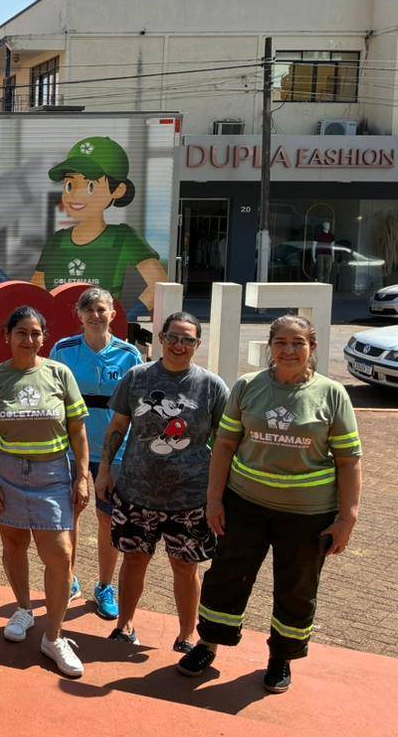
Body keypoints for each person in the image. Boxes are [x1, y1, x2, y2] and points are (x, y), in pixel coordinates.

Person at [178, 315, 362, 694]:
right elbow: (225, 444)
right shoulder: (248, 386)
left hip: (308, 515)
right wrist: (214, 499)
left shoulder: (332, 394)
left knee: (296, 588)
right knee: (227, 576)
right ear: (270, 346)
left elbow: (348, 460)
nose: (289, 350)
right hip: (245, 504)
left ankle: (281, 657)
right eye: (281, 342)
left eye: (298, 342)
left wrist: (348, 516)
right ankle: (208, 644)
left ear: (312, 347)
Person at [0, 306, 90, 678]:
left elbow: (77, 429)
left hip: (52, 475)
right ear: (8, 336)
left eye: (36, 333)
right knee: (14, 543)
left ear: (44, 337)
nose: (29, 339)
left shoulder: (60, 373)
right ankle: (23, 608)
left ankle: (54, 636)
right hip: (5, 473)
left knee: (60, 554)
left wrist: (82, 476)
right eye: (21, 332)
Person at [98, 311, 228, 651]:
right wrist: (105, 470)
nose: (179, 345)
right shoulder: (137, 377)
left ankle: (186, 635)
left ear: (198, 344)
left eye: (187, 339)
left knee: (185, 568)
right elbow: (118, 427)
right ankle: (125, 625)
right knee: (133, 561)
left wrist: (220, 491)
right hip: (136, 492)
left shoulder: (212, 386)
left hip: (190, 498)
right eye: (172, 337)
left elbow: (225, 442)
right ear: (161, 338)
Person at [50, 287, 143, 620]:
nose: (95, 315)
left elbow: (136, 406)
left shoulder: (130, 354)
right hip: (71, 450)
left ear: (112, 314)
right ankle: (68, 578)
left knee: (108, 520)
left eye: (101, 309)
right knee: (69, 515)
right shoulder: (63, 350)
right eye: (88, 310)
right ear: (79, 314)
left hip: (113, 453)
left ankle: (104, 586)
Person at [30, 136, 168, 313]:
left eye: (90, 186)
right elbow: (36, 290)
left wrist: (127, 318)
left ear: (118, 190)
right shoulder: (57, 240)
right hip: (57, 327)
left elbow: (159, 283)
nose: (75, 195)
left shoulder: (122, 237)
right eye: (69, 185)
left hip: (100, 328)